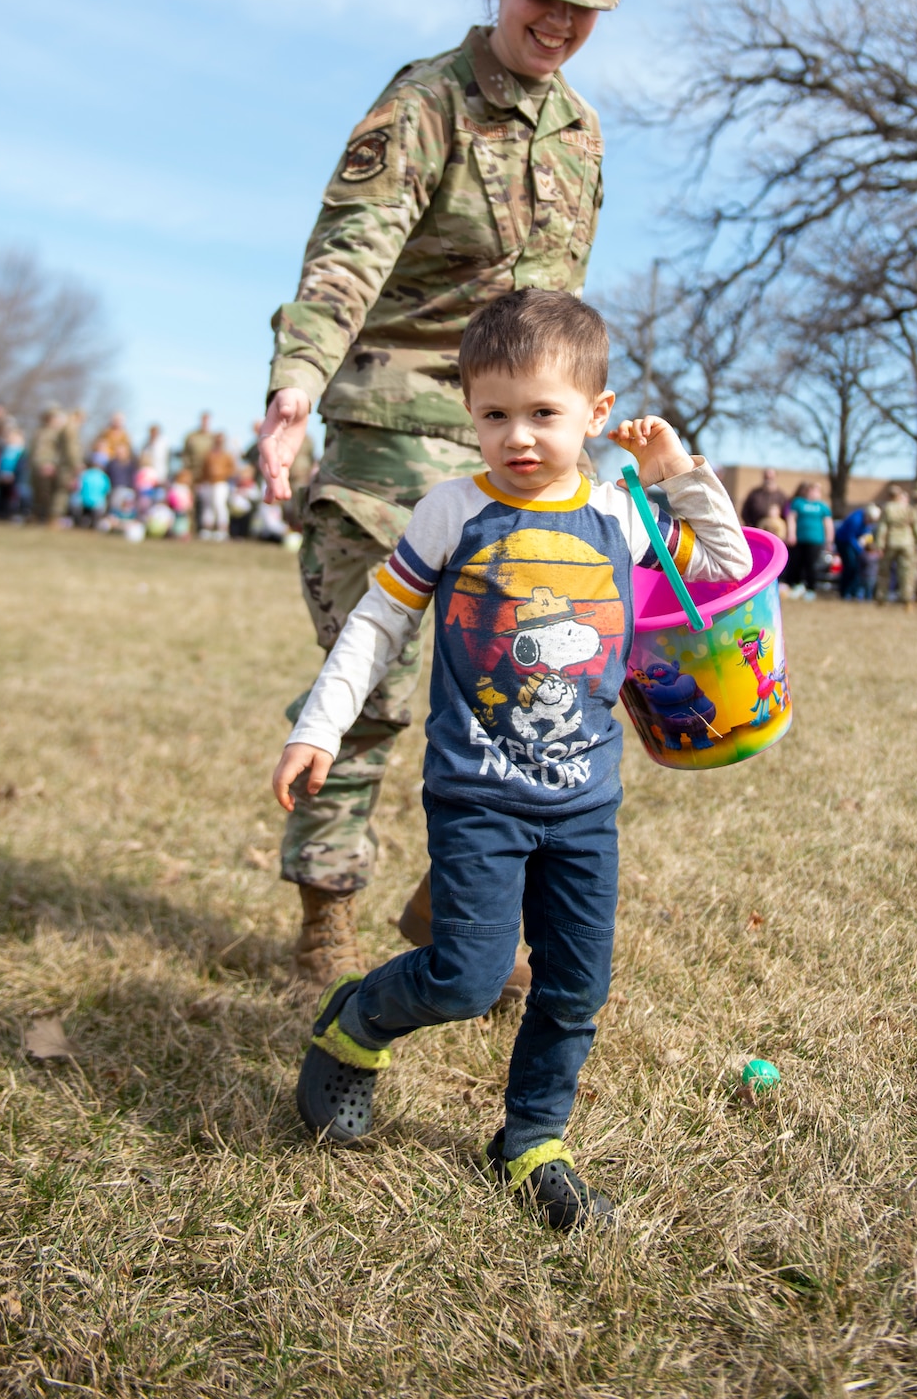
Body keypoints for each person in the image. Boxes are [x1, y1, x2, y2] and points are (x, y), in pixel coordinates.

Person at [273, 290, 749, 1225]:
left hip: (582, 802)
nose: (518, 437)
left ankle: (530, 1142)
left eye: (544, 413)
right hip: (476, 795)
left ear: (597, 416)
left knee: (576, 987)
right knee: (467, 977)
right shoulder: (451, 510)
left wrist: (678, 472)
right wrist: (318, 727)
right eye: (494, 414)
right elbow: (376, 623)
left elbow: (727, 568)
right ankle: (356, 1022)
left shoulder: (621, 512)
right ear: (468, 411)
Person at [255, 0, 635, 992]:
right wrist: (294, 379)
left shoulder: (582, 134)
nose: (557, 23)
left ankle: (451, 903)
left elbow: (557, 313)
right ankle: (328, 902)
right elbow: (349, 247)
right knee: (369, 683)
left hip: (518, 442)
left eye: (583, 8)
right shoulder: (426, 101)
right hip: (392, 426)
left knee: (537, 680)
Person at [785, 482, 832, 598]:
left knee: (811, 565)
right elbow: (791, 519)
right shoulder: (798, 503)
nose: (814, 493)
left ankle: (811, 589)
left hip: (815, 540)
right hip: (799, 540)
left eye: (817, 490)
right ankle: (796, 586)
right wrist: (791, 534)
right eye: (812, 490)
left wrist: (829, 540)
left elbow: (828, 524)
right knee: (796, 563)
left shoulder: (823, 506)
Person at [875, 485, 917, 605]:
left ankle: (881, 597)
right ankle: (907, 599)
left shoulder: (887, 508)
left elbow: (883, 528)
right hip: (907, 542)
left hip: (891, 542)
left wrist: (880, 545)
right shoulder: (908, 508)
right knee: (906, 572)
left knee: (884, 571)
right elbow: (915, 527)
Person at [28, 409, 65, 525]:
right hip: (36, 465)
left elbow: (61, 451)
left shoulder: (59, 433)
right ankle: (36, 515)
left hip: (49, 466)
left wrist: (52, 464)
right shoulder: (39, 431)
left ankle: (51, 518)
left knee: (48, 493)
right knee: (36, 492)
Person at [834, 501, 877, 600]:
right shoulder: (855, 520)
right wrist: (859, 549)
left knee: (857, 568)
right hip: (844, 542)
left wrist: (867, 541)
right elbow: (850, 537)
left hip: (854, 543)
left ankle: (853, 592)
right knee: (850, 566)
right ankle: (845, 592)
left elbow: (867, 532)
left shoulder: (866, 520)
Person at [198, 432, 236, 540]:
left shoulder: (227, 455)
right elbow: (204, 469)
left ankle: (222, 529)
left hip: (221, 483)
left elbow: (232, 470)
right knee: (208, 506)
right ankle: (207, 528)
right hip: (209, 483)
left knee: (220, 505)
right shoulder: (209, 454)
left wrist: (221, 473)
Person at [741, 467, 789, 532]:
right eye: (766, 477)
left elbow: (786, 515)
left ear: (775, 477)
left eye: (771, 477)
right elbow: (745, 512)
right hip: (757, 530)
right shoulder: (754, 494)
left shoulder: (781, 496)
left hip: (776, 532)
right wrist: (751, 525)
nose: (768, 479)